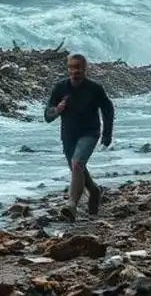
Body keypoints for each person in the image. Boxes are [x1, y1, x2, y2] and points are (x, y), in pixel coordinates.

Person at [45, 53, 114, 221]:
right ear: (68, 68)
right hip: (68, 136)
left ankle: (71, 206)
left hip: (90, 133)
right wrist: (57, 111)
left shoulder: (94, 88)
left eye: (78, 67)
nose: (75, 71)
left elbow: (108, 109)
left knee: (77, 164)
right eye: (71, 67)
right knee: (78, 168)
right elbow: (47, 115)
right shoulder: (60, 88)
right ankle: (94, 191)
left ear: (85, 68)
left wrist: (107, 134)